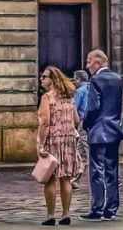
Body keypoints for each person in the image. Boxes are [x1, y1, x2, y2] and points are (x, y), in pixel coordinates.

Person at [80, 49, 123, 222]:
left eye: (89, 61)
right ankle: (112, 209)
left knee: (96, 171)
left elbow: (93, 107)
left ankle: (97, 208)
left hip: (99, 130)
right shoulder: (116, 78)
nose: (87, 66)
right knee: (112, 171)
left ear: (98, 63)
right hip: (114, 129)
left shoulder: (96, 80)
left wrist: (85, 124)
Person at [37, 67, 85, 226]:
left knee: (50, 179)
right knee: (66, 179)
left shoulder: (47, 97)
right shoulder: (69, 97)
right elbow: (77, 119)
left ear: (53, 79)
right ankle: (65, 214)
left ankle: (50, 215)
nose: (41, 79)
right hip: (69, 141)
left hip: (53, 140)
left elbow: (45, 123)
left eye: (44, 77)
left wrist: (40, 144)